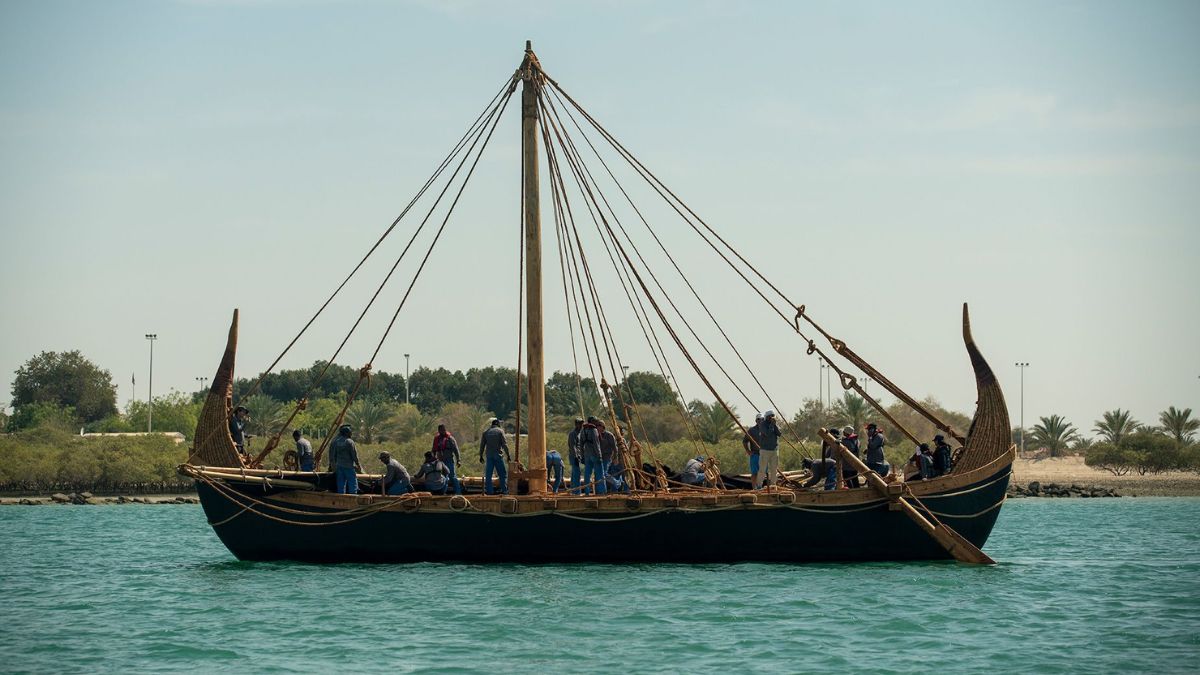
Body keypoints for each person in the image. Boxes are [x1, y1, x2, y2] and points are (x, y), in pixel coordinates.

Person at [478, 418, 511, 495]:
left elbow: (482, 446)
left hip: (489, 456)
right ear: (498, 424)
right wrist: (508, 455)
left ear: (492, 425)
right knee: (502, 474)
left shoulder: (486, 432)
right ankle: (504, 491)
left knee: (488, 475)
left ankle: (490, 492)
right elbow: (505, 445)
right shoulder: (500, 431)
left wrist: (481, 456)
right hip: (498, 456)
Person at [328, 424, 362, 494]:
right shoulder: (349, 442)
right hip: (348, 466)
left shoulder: (337, 441)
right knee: (352, 483)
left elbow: (334, 455)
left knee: (341, 484)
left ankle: (341, 498)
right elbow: (354, 455)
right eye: (350, 432)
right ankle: (353, 498)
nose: (351, 433)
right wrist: (358, 465)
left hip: (339, 466)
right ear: (346, 433)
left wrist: (334, 465)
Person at [579, 416, 605, 495]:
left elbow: (580, 444)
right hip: (594, 455)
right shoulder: (594, 430)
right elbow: (596, 444)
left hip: (587, 455)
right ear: (593, 421)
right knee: (600, 473)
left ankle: (587, 492)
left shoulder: (583, 430)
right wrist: (599, 456)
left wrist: (582, 456)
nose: (597, 423)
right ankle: (601, 492)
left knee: (587, 475)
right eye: (595, 421)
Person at [432, 424, 462, 495]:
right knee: (442, 477)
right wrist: (433, 460)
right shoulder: (437, 439)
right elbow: (433, 450)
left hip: (449, 460)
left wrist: (458, 460)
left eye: (443, 430)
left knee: (452, 476)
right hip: (440, 461)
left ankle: (458, 493)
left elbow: (456, 450)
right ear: (438, 431)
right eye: (441, 430)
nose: (442, 431)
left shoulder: (450, 439)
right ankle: (443, 492)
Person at [758, 410, 782, 487]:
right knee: (762, 469)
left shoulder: (774, 424)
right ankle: (759, 485)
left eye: (773, 416)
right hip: (765, 450)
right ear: (767, 417)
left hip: (774, 450)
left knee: (774, 470)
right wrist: (772, 424)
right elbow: (767, 434)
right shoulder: (763, 425)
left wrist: (774, 425)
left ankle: (773, 485)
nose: (772, 417)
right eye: (770, 416)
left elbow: (779, 434)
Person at [743, 413, 764, 488]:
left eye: (762, 419)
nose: (760, 421)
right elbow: (745, 441)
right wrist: (748, 451)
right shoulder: (751, 430)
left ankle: (760, 487)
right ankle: (754, 488)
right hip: (755, 455)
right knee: (754, 473)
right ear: (756, 420)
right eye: (759, 419)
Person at [567, 418, 584, 493]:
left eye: (581, 424)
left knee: (574, 474)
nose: (580, 425)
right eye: (579, 424)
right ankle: (577, 492)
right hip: (574, 457)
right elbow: (572, 446)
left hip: (578, 456)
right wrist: (576, 456)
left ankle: (573, 491)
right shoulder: (572, 434)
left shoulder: (581, 433)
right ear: (576, 424)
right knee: (577, 474)